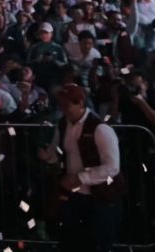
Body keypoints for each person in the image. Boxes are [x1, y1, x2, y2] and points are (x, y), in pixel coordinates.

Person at [38, 84, 124, 252]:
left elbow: (113, 167)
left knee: (97, 242)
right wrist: (48, 157)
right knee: (71, 241)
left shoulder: (100, 129)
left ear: (80, 103)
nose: (64, 110)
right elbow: (58, 151)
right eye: (61, 105)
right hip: (73, 195)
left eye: (67, 105)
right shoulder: (63, 125)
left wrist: (81, 178)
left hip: (100, 196)